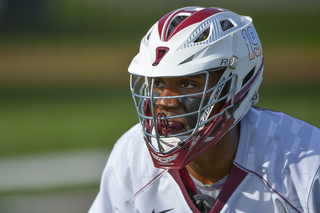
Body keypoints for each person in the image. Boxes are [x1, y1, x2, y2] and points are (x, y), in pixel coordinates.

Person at [89, 6, 320, 213]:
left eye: (186, 84)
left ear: (235, 85)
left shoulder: (307, 165)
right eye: (158, 83)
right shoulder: (131, 156)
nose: (164, 102)